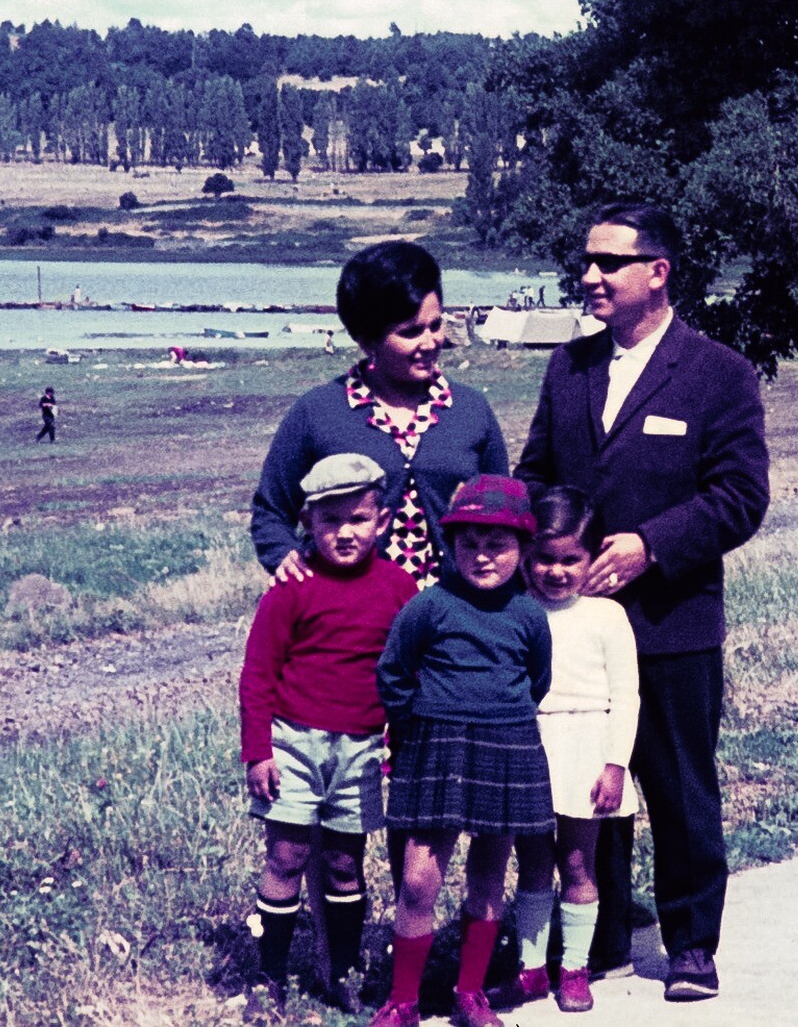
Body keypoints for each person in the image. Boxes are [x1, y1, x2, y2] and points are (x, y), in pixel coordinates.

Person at [515, 201, 769, 1003]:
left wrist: (650, 545)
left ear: (658, 272)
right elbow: (537, 472)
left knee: (680, 784)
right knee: (585, 785)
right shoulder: (571, 367)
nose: (589, 276)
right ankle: (604, 935)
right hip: (571, 631)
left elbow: (740, 497)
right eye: (585, 261)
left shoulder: (719, 373)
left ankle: (692, 944)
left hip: (672, 621)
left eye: (608, 263)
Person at [372, 475, 555, 1027]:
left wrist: (500, 717)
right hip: (437, 745)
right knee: (418, 878)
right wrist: (419, 725)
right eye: (468, 543)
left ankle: (469, 994)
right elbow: (393, 673)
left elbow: (537, 678)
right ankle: (402, 1000)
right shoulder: (430, 607)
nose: (481, 556)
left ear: (521, 549)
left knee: (488, 875)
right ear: (450, 546)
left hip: (505, 744)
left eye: (496, 545)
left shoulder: (528, 615)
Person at [239, 453, 419, 1004]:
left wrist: (400, 739)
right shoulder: (291, 585)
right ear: (308, 522)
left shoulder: (398, 587)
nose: (345, 533)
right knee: (287, 857)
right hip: (293, 742)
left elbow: (407, 671)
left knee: (345, 862)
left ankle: (340, 973)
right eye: (330, 520)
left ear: (382, 520)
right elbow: (258, 674)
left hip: (362, 748)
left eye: (358, 519)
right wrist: (258, 751)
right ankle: (269, 975)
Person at [252, 241, 509, 591]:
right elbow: (271, 512)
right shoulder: (317, 412)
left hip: (453, 615)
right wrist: (286, 559)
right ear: (366, 339)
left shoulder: (471, 409)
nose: (430, 342)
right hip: (349, 619)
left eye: (435, 325)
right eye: (410, 332)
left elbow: (504, 511)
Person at [501, 486, 639, 1013]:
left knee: (579, 864)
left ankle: (575, 969)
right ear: (526, 557)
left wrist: (614, 764)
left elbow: (626, 696)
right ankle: (531, 970)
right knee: (533, 863)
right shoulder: (514, 610)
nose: (556, 571)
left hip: (587, 747)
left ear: (591, 558)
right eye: (543, 559)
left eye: (570, 560)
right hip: (530, 746)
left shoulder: (607, 617)